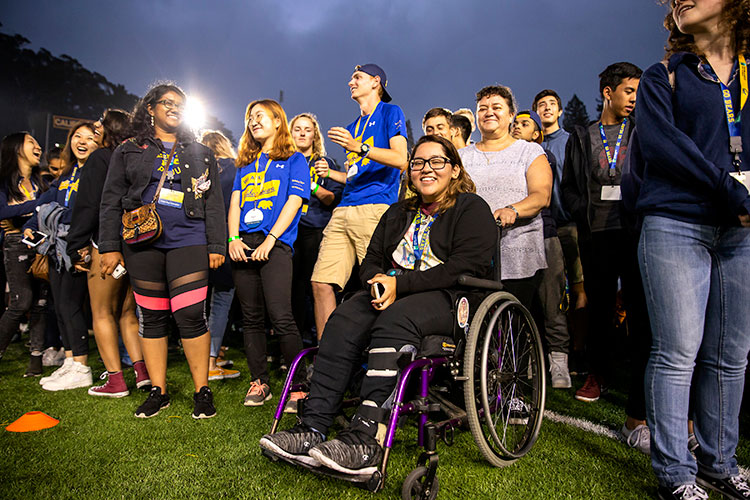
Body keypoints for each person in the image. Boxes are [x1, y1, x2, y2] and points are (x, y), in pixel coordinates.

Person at [260, 135, 496, 475]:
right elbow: (371, 261)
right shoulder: (399, 211)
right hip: (394, 291)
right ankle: (311, 427)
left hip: (448, 297)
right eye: (417, 163)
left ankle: (366, 437)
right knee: (343, 317)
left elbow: (464, 266)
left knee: (396, 319)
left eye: (436, 162)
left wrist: (400, 284)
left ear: (455, 169)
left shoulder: (471, 207)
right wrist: (378, 281)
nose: (426, 169)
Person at [626, 1, 750, 498]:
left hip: (739, 230)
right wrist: (733, 191)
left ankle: (720, 463)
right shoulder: (664, 75)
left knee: (731, 354)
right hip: (676, 223)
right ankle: (676, 473)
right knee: (677, 352)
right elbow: (661, 145)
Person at [99, 83, 226, 419]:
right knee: (152, 317)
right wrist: (110, 248)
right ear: (150, 108)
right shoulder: (128, 149)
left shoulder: (201, 152)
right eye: (167, 102)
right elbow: (110, 200)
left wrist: (216, 244)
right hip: (142, 242)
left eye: (180, 104)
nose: (174, 107)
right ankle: (159, 391)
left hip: (190, 238)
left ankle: (202, 390)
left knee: (189, 314)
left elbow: (213, 203)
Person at [310, 63, 408, 340]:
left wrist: (360, 147)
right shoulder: (354, 126)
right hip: (344, 209)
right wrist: (331, 174)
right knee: (321, 283)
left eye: (357, 77)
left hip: (375, 207)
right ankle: (328, 357)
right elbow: (356, 174)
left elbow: (401, 160)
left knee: (377, 285)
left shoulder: (391, 112)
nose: (350, 82)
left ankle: (386, 347)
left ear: (376, 81)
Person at [65, 109, 151, 397]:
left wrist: (76, 242)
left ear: (109, 128)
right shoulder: (134, 155)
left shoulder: (101, 158)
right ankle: (141, 372)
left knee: (102, 312)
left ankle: (116, 380)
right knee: (128, 313)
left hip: (106, 244)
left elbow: (90, 205)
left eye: (101, 122)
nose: (96, 126)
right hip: (133, 243)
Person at [227, 99, 307, 407]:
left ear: (277, 121)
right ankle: (259, 382)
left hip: (275, 245)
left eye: (259, 116)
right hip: (244, 242)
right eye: (249, 118)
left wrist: (270, 241)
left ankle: (299, 386)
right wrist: (233, 238)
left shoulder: (295, 160)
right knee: (251, 318)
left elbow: (294, 202)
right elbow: (235, 202)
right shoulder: (244, 164)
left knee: (281, 316)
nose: (252, 121)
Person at [459, 85, 553, 309]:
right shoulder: (462, 156)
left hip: (517, 253)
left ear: (511, 115)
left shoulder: (529, 151)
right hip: (472, 253)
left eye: (496, 107)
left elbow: (542, 195)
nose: (489, 112)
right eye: (483, 108)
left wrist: (512, 209)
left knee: (513, 321)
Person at [24, 122, 97, 391]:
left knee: (72, 304)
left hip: (77, 246)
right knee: (60, 306)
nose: (82, 141)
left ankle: (81, 365)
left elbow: (86, 212)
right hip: (56, 248)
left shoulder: (94, 173)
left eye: (90, 138)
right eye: (78, 136)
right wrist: (31, 226)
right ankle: (69, 360)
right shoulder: (66, 173)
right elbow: (44, 205)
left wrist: (56, 218)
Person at [511, 110, 571, 389]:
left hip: (545, 235)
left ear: (537, 134)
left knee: (551, 301)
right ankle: (528, 360)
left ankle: (559, 361)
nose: (516, 127)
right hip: (511, 238)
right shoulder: (504, 155)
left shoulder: (539, 155)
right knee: (522, 305)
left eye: (524, 124)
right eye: (515, 123)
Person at [533, 88, 588, 375]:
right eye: (541, 105)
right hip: (542, 228)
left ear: (560, 110)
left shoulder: (569, 141)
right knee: (550, 292)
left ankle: (578, 351)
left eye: (551, 104)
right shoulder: (530, 145)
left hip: (569, 225)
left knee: (578, 289)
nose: (546, 109)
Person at [289, 113, 344, 348]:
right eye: (297, 129)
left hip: (315, 229)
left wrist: (309, 184)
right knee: (292, 289)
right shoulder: (283, 162)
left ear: (315, 135)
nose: (302, 133)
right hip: (288, 232)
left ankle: (317, 341)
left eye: (307, 129)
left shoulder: (324, 164)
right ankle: (292, 344)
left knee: (316, 287)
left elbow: (330, 199)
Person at [0, 132, 48, 376]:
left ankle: (36, 360)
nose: (38, 146)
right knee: (21, 301)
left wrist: (22, 216)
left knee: (41, 302)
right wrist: (38, 206)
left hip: (40, 247)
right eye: (32, 143)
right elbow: (1, 212)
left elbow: (46, 212)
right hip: (15, 245)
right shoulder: (4, 181)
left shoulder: (42, 184)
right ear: (17, 148)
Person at [198, 129, 241, 382]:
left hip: (195, 242)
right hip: (226, 240)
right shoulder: (236, 168)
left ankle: (202, 356)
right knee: (222, 302)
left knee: (197, 303)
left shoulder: (197, 170)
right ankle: (211, 360)